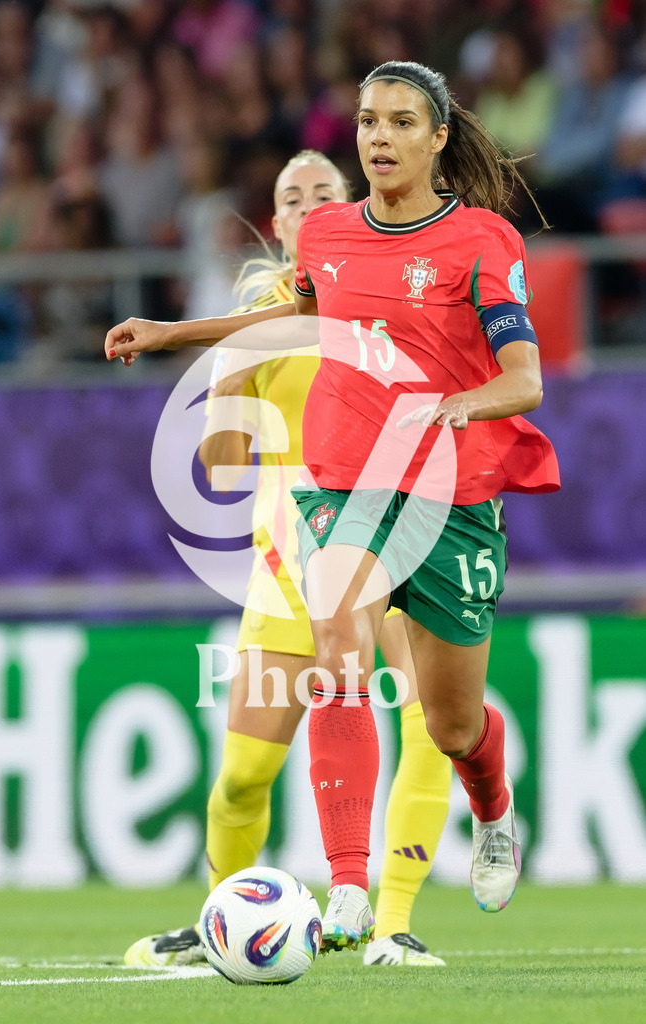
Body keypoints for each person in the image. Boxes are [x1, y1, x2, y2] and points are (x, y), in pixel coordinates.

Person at [105, 61, 560, 951]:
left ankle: (493, 808)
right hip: (346, 482)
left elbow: (525, 379)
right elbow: (285, 322)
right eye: (366, 120)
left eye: (398, 122)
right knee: (339, 650)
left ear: (436, 139)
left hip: (450, 494)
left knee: (452, 724)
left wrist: (457, 405)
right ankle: (347, 888)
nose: (379, 136)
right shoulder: (326, 237)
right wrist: (175, 334)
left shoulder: (481, 240)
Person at [122, 149, 451, 969]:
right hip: (289, 571)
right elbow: (225, 467)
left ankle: (394, 925)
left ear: (350, 207)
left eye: (323, 193)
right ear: (277, 223)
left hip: (394, 549)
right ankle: (217, 925)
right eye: (292, 196)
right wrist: (230, 374)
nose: (307, 204)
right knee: (240, 778)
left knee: (424, 730)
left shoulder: (387, 301)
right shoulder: (261, 325)